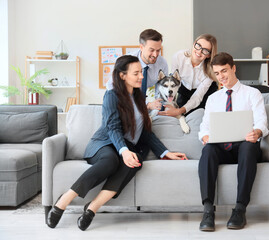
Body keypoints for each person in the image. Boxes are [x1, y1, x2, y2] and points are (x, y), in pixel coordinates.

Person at [46, 55, 187, 231]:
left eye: (140, 73)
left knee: (135, 163)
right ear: (122, 75)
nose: (141, 76)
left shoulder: (139, 97)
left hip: (125, 146)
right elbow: (112, 127)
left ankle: (92, 207)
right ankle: (64, 200)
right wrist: (123, 150)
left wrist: (166, 153)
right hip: (104, 143)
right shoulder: (112, 95)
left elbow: (144, 132)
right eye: (136, 73)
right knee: (111, 160)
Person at [197, 52, 269, 231]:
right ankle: (208, 211)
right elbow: (204, 127)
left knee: (249, 146)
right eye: (217, 73)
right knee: (207, 151)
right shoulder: (213, 99)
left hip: (245, 147)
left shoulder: (253, 93)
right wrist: (205, 136)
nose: (221, 76)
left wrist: (257, 132)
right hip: (222, 148)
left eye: (224, 71)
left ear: (233, 68)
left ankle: (240, 209)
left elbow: (262, 122)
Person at [106, 29, 168, 112]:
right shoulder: (127, 61)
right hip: (124, 103)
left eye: (158, 50)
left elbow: (161, 91)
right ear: (141, 47)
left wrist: (157, 106)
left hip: (143, 106)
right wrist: (146, 104)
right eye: (152, 50)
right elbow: (111, 86)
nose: (155, 54)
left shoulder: (162, 63)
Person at [159, 34, 218, 117]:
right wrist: (175, 108)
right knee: (182, 116)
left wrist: (179, 111)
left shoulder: (211, 69)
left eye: (205, 50)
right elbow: (174, 81)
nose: (199, 51)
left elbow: (198, 96)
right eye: (198, 46)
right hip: (185, 89)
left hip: (205, 93)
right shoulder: (178, 57)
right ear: (194, 44)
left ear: (209, 55)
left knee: (202, 117)